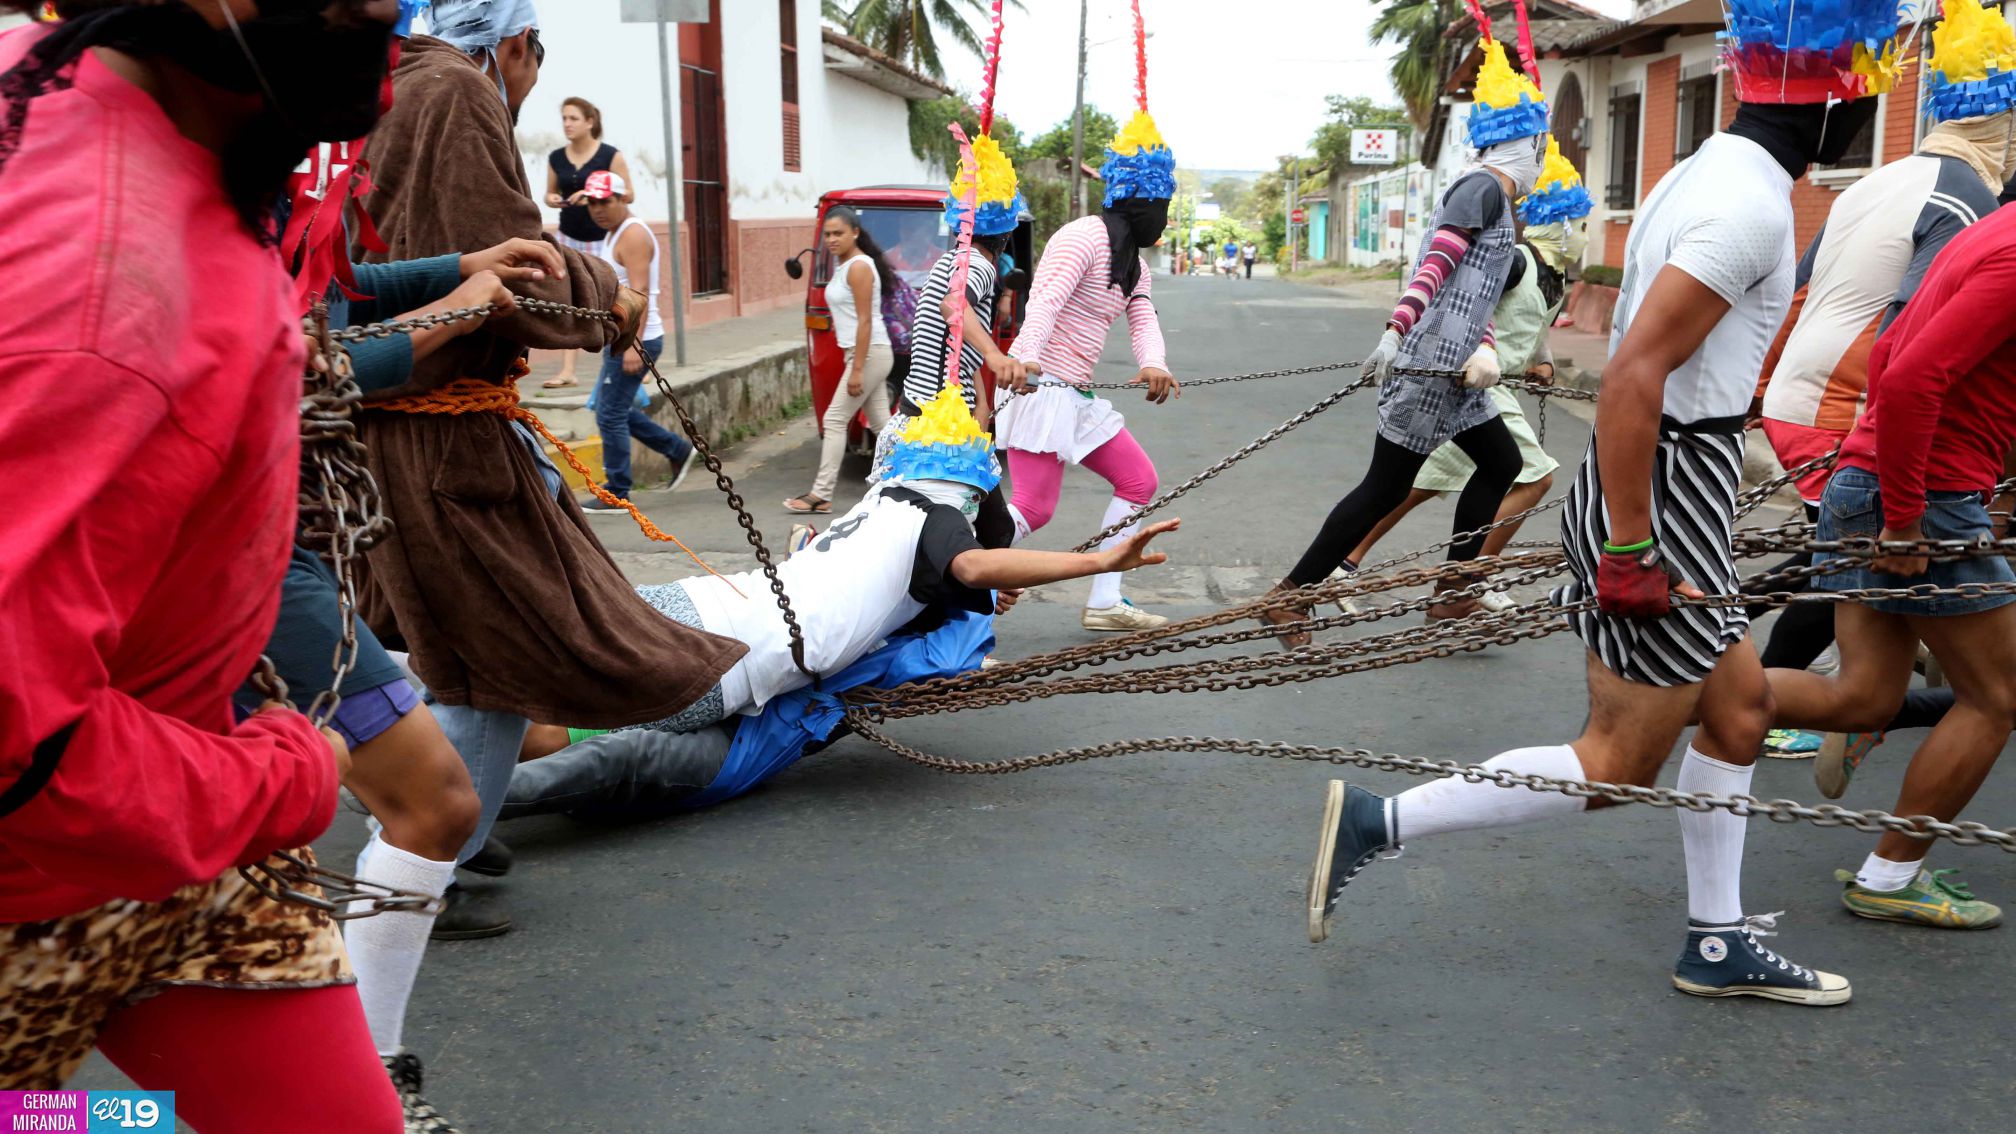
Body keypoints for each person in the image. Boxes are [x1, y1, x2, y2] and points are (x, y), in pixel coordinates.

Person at [1305, 0, 1896, 1004]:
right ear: (1836, 106)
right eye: (1867, 97)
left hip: (1677, 479)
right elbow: (1630, 378)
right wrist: (1629, 546)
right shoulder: (1749, 206)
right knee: (1618, 760)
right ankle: (1380, 822)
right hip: (1660, 489)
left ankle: (1715, 940)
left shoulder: (1707, 169)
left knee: (1743, 710)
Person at [0, 1, 407, 1126]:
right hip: (54, 861)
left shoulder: (126, 107)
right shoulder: (100, 302)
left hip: (178, 819)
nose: (388, 7)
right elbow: (14, 734)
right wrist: (282, 778)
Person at [355, 0, 745, 942]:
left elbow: (398, 270)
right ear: (517, 46)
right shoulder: (456, 88)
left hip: (389, 420)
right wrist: (607, 297)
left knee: (444, 649)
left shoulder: (388, 86)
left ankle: (438, 823)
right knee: (498, 659)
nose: (529, 92)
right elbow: (519, 284)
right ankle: (421, 858)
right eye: (533, 69)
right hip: (447, 434)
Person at [503, 386, 1178, 819]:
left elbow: (944, 577)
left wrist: (978, 591)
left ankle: (420, 742)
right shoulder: (938, 513)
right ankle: (429, 799)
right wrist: (1096, 561)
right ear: (971, 493)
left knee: (521, 670)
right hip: (726, 657)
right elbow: (969, 561)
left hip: (704, 602)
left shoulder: (880, 503)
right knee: (544, 732)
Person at [1758, 0, 2016, 930]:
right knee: (1997, 696)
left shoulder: (1982, 225)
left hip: (1878, 474)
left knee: (1864, 692)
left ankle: (1665, 692)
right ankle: (1891, 877)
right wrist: (1906, 518)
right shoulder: (2005, 241)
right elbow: (1907, 377)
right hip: (1922, 493)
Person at [1261, 36, 1541, 645]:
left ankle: (1453, 593)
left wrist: (1486, 345)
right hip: (1426, 368)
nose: (1542, 158)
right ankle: (1292, 595)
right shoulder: (1483, 188)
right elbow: (1437, 267)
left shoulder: (1498, 198)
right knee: (1384, 486)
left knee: (1503, 463)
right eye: (1539, 144)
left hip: (1457, 370)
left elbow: (1475, 291)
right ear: (1523, 142)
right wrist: (1396, 329)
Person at [1343, 141, 1592, 611]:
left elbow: (1534, 327)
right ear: (1555, 222)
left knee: (1416, 484)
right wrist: (1474, 347)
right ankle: (1469, 579)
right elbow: (1474, 300)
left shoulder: (1555, 276)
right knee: (1530, 476)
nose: (1583, 235)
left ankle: (1349, 562)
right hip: (1470, 378)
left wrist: (1543, 360)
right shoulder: (1518, 259)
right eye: (1578, 225)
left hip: (1492, 385)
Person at [996, 76, 1182, 633]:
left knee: (1139, 482)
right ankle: (960, 589)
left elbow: (1143, 315)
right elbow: (1045, 300)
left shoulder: (1133, 263)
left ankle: (1104, 601)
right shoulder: (1081, 237)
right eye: (1164, 206)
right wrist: (1024, 358)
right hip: (1041, 385)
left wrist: (1157, 364)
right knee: (1032, 508)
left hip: (1074, 395)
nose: (1166, 218)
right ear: (1143, 204)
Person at [572, 169, 697, 511]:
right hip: (622, 337)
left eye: (605, 201)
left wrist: (631, 345)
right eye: (592, 202)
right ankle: (677, 449)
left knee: (609, 414)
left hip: (637, 338)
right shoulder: (614, 233)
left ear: (623, 199)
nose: (598, 209)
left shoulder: (633, 235)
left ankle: (617, 490)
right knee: (614, 408)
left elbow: (640, 293)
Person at [786, 204, 895, 514]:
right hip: (865, 352)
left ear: (855, 233)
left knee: (835, 419)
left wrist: (857, 368)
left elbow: (865, 321)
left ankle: (820, 494)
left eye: (839, 234)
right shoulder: (843, 265)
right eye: (828, 234)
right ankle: (912, 480)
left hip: (870, 352)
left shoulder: (859, 266)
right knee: (881, 425)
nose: (831, 240)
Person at [541, 95, 632, 388]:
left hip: (603, 238)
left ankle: (623, 361)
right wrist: (553, 200)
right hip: (569, 237)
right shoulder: (556, 157)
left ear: (589, 122)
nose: (567, 124)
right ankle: (568, 371)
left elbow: (628, 194)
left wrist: (593, 195)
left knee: (614, 299)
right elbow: (548, 192)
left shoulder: (609, 155)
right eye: (564, 119)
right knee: (571, 301)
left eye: (573, 119)